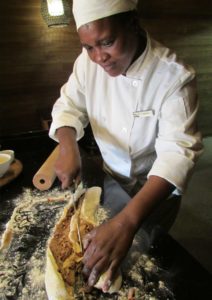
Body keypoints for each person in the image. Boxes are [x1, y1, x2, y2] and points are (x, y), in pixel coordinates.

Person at [49, 0, 203, 292]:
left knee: (143, 261)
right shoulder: (87, 64)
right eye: (88, 47)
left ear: (133, 23)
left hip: (155, 192)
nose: (99, 57)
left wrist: (127, 221)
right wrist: (68, 145)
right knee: (100, 258)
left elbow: (177, 155)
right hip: (111, 180)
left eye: (107, 42)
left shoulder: (173, 76)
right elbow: (68, 105)